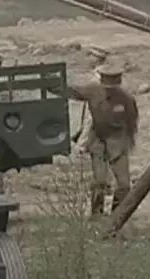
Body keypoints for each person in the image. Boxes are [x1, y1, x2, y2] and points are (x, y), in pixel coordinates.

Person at [59, 63, 138, 215]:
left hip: (118, 141)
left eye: (113, 87)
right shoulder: (93, 90)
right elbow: (70, 91)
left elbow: (132, 123)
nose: (109, 90)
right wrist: (50, 83)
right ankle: (96, 213)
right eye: (106, 86)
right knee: (99, 181)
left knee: (124, 184)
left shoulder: (127, 99)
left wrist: (127, 144)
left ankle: (118, 213)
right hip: (98, 141)